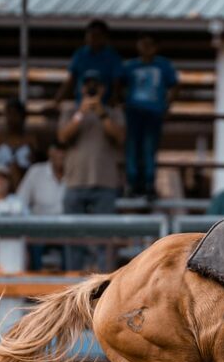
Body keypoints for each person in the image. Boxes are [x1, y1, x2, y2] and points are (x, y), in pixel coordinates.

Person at [57, 77, 126, 270]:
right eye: (88, 84)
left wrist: (102, 114)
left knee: (105, 236)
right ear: (81, 87)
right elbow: (62, 137)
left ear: (105, 89)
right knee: (72, 235)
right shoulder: (70, 110)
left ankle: (104, 283)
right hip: (75, 182)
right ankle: (72, 279)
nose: (92, 89)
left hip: (105, 183)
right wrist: (81, 113)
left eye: (97, 85)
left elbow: (120, 137)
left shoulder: (113, 112)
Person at [123, 32, 179, 197]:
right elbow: (117, 84)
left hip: (154, 113)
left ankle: (148, 185)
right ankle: (133, 185)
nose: (146, 48)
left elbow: (175, 86)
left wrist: (167, 106)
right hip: (133, 113)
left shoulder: (163, 65)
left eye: (150, 44)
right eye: (143, 43)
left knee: (148, 149)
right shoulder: (130, 66)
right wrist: (120, 102)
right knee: (132, 149)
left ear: (156, 47)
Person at [16, 143, 67, 270]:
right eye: (59, 150)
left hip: (67, 230)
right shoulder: (36, 171)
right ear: (51, 152)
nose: (62, 155)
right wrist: (29, 223)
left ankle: (72, 284)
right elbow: (20, 202)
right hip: (39, 228)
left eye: (66, 151)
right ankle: (34, 280)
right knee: (32, 244)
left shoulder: (75, 173)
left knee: (75, 245)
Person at [54, 19, 124, 108]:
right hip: (82, 107)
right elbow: (70, 81)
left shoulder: (113, 57)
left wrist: (114, 99)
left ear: (105, 37)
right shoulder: (80, 55)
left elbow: (117, 82)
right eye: (90, 34)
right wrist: (57, 102)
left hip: (104, 108)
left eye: (97, 35)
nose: (93, 38)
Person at [0, 98, 38, 188]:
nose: (11, 118)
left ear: (22, 117)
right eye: (8, 114)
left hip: (24, 180)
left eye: (15, 114)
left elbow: (36, 165)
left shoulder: (30, 140)